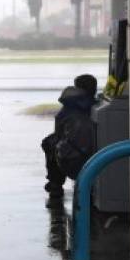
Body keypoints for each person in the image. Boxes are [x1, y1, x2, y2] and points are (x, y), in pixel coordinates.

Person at [41, 74, 98, 204]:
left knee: (49, 142)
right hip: (95, 162)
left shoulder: (68, 108)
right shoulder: (96, 106)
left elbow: (58, 134)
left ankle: (55, 185)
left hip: (69, 162)